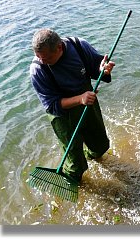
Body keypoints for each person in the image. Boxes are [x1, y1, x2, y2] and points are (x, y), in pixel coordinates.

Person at [29, 28, 115, 183]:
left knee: (100, 146)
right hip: (62, 115)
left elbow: (96, 68)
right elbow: (52, 105)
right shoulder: (37, 70)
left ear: (59, 48)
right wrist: (79, 99)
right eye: (38, 57)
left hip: (87, 102)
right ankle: (74, 180)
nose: (42, 61)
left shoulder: (78, 45)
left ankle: (91, 156)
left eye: (46, 58)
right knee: (75, 164)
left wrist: (103, 70)